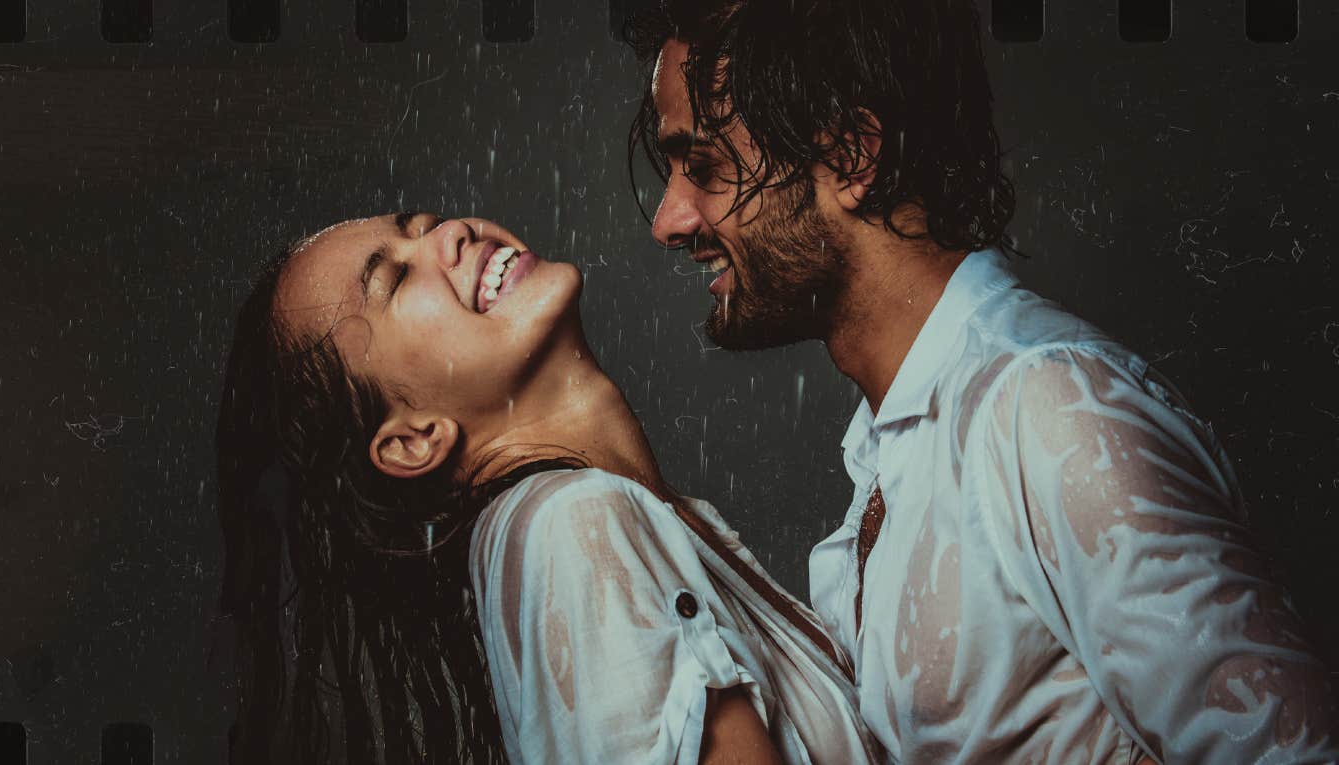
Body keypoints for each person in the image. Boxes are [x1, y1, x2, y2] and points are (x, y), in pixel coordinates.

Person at [624, 0, 1339, 761]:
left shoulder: (1051, 411)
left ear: (851, 158)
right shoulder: (895, 441)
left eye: (702, 166)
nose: (669, 219)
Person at [215, 210, 883, 764]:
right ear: (414, 439)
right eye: (394, 278)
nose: (448, 234)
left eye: (419, 226)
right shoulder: (573, 526)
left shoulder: (621, 521)